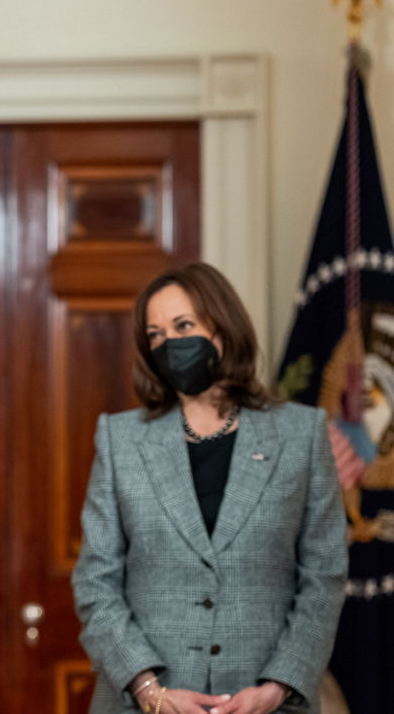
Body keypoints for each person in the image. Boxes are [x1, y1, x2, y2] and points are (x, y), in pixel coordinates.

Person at [71, 262, 346, 714]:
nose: (170, 344)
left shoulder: (302, 434)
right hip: (145, 704)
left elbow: (324, 576)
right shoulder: (120, 440)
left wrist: (277, 687)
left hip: (267, 702)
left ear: (224, 327)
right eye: (156, 335)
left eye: (183, 326)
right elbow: (95, 582)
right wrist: (149, 691)